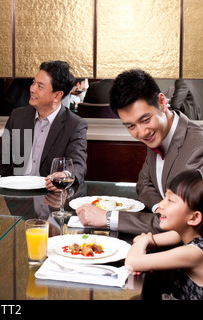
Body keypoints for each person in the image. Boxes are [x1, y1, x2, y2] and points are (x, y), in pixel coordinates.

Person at [76, 69, 203, 234]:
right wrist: (160, 208)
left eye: (145, 120)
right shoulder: (159, 133)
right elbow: (144, 184)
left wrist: (109, 218)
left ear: (162, 103)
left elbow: (182, 222)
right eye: (130, 126)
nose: (142, 132)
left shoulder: (198, 146)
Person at [0, 60, 88, 190]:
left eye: (40, 86)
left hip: (48, 195)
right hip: (15, 193)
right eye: (33, 83)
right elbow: (2, 159)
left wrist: (64, 175)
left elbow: (78, 166)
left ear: (57, 96)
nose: (32, 89)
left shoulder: (75, 125)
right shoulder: (17, 116)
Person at [124, 169, 203, 300]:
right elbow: (145, 242)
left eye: (170, 200)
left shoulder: (195, 252)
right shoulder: (182, 234)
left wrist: (143, 242)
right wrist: (144, 243)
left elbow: (132, 261)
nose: (161, 204)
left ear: (194, 218)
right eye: (164, 197)